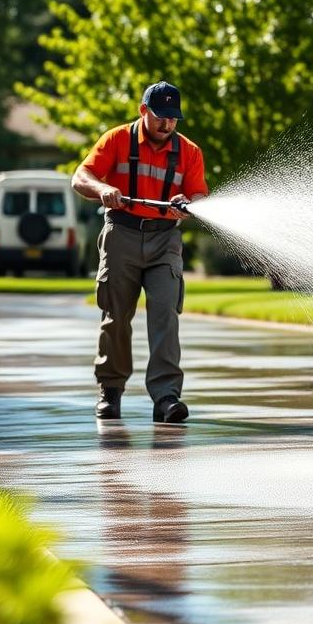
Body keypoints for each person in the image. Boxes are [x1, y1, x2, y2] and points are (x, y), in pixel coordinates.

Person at [72, 80, 208, 423]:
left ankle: (166, 398)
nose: (168, 124)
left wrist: (188, 204)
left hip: (166, 240)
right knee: (116, 318)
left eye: (173, 118)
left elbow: (200, 197)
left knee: (165, 315)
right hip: (122, 235)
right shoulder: (117, 139)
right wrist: (103, 189)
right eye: (161, 116)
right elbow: (80, 177)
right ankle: (111, 391)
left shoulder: (189, 151)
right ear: (143, 111)